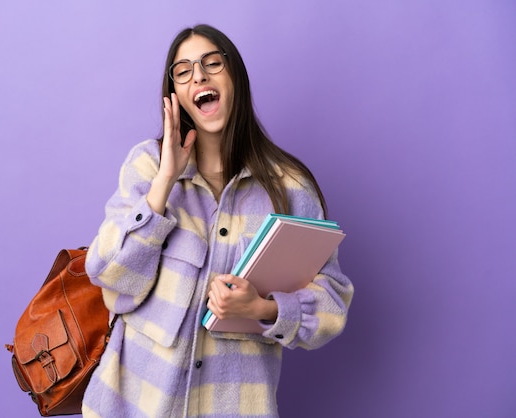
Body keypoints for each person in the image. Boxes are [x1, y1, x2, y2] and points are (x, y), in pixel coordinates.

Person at [82, 24, 354, 418]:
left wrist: (263, 309)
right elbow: (109, 275)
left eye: (212, 63)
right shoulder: (148, 166)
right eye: (183, 70)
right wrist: (164, 183)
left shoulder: (290, 188)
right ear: (175, 96)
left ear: (234, 78)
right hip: (132, 406)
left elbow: (332, 303)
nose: (199, 76)